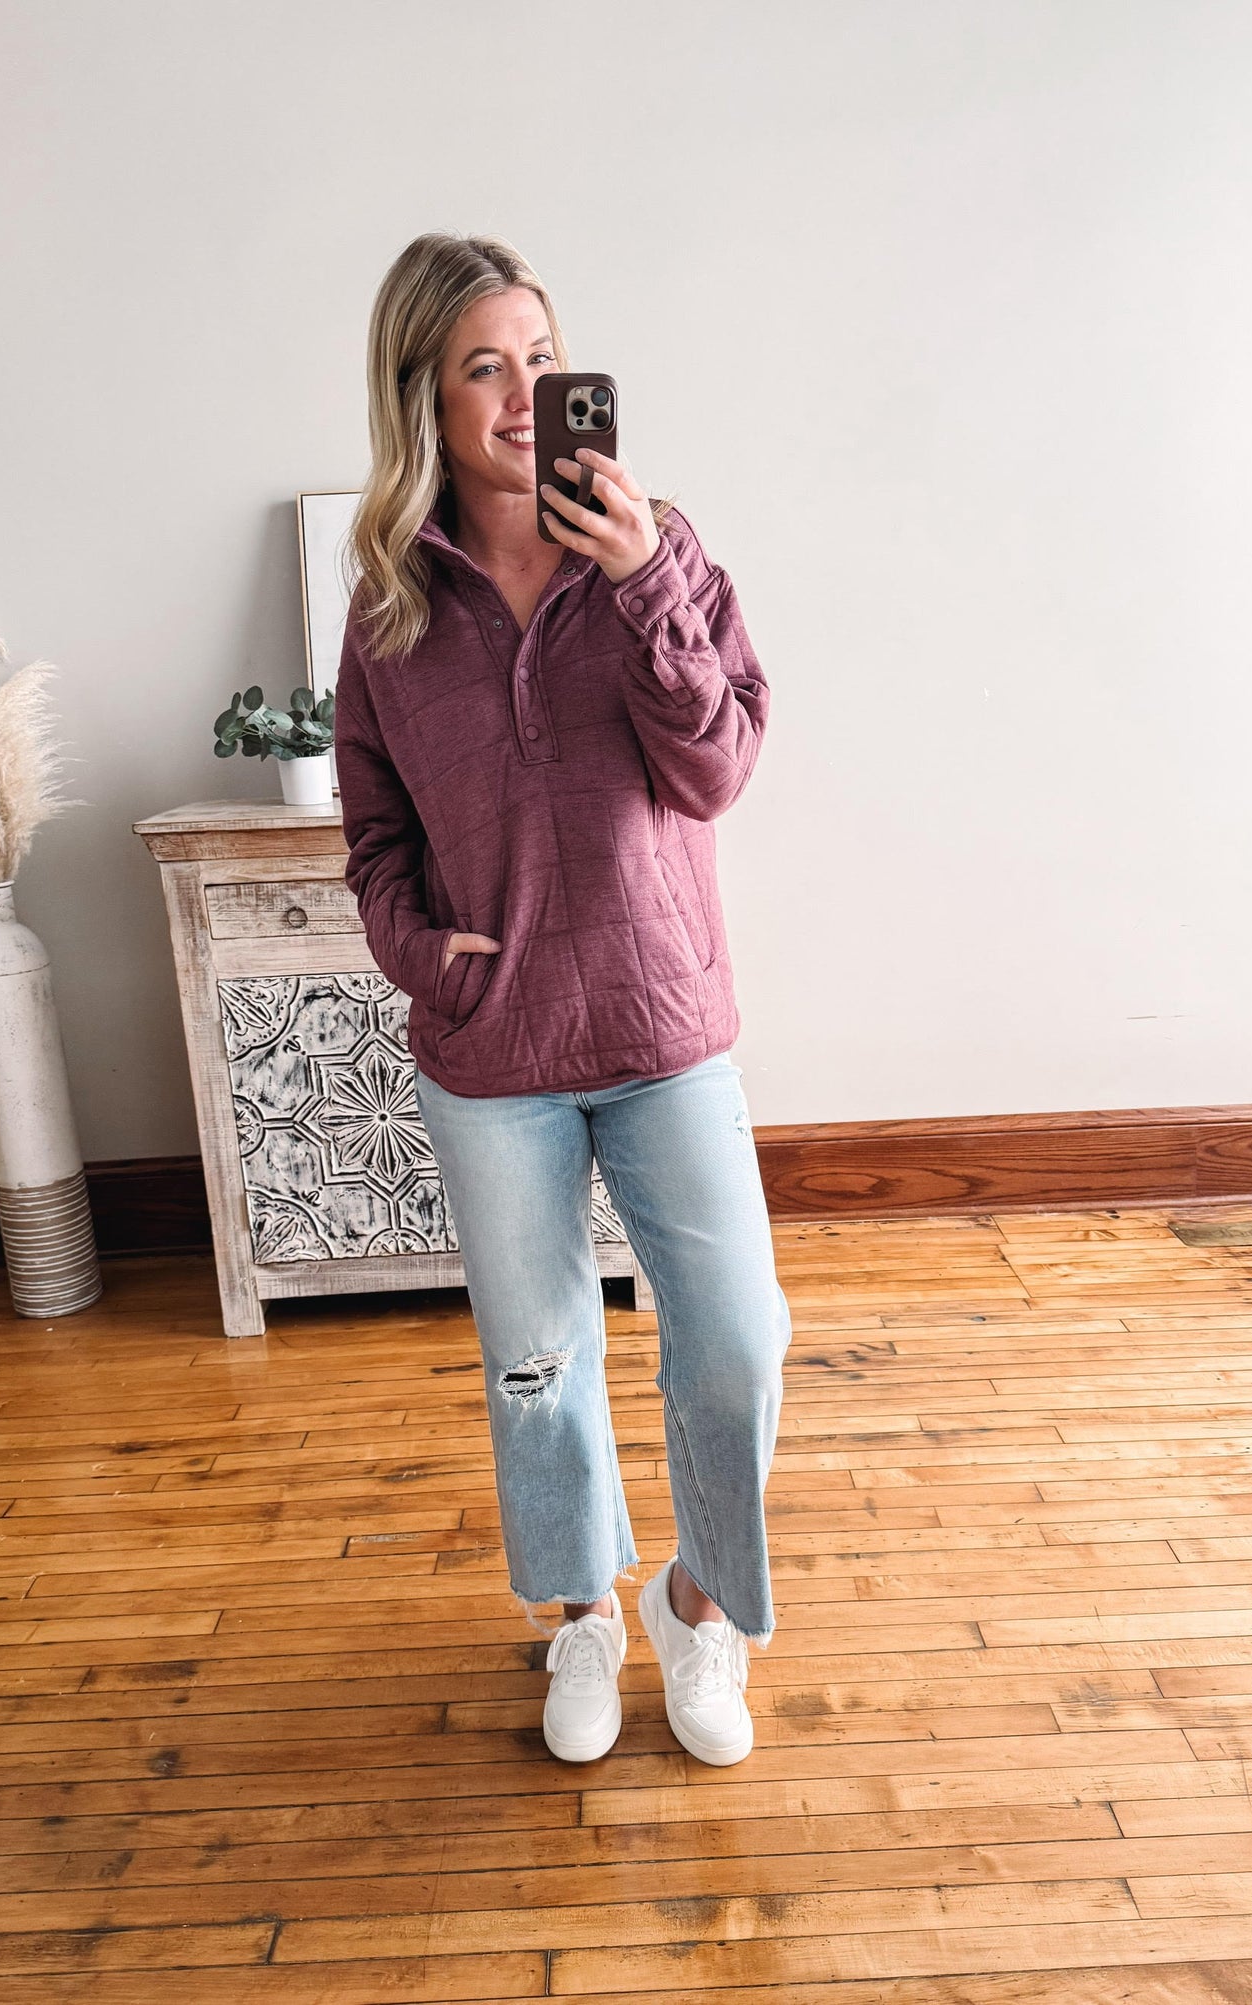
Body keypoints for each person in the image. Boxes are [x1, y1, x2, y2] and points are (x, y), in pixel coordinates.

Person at [335, 232, 790, 1767]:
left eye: (541, 357)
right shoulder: (389, 601)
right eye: (483, 365)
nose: (525, 392)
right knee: (536, 1363)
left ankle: (695, 1608)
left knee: (731, 1339)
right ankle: (582, 1615)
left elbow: (718, 764)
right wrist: (419, 949)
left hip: (662, 1029)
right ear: (426, 398)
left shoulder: (653, 544)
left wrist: (641, 578)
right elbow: (372, 828)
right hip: (496, 1053)